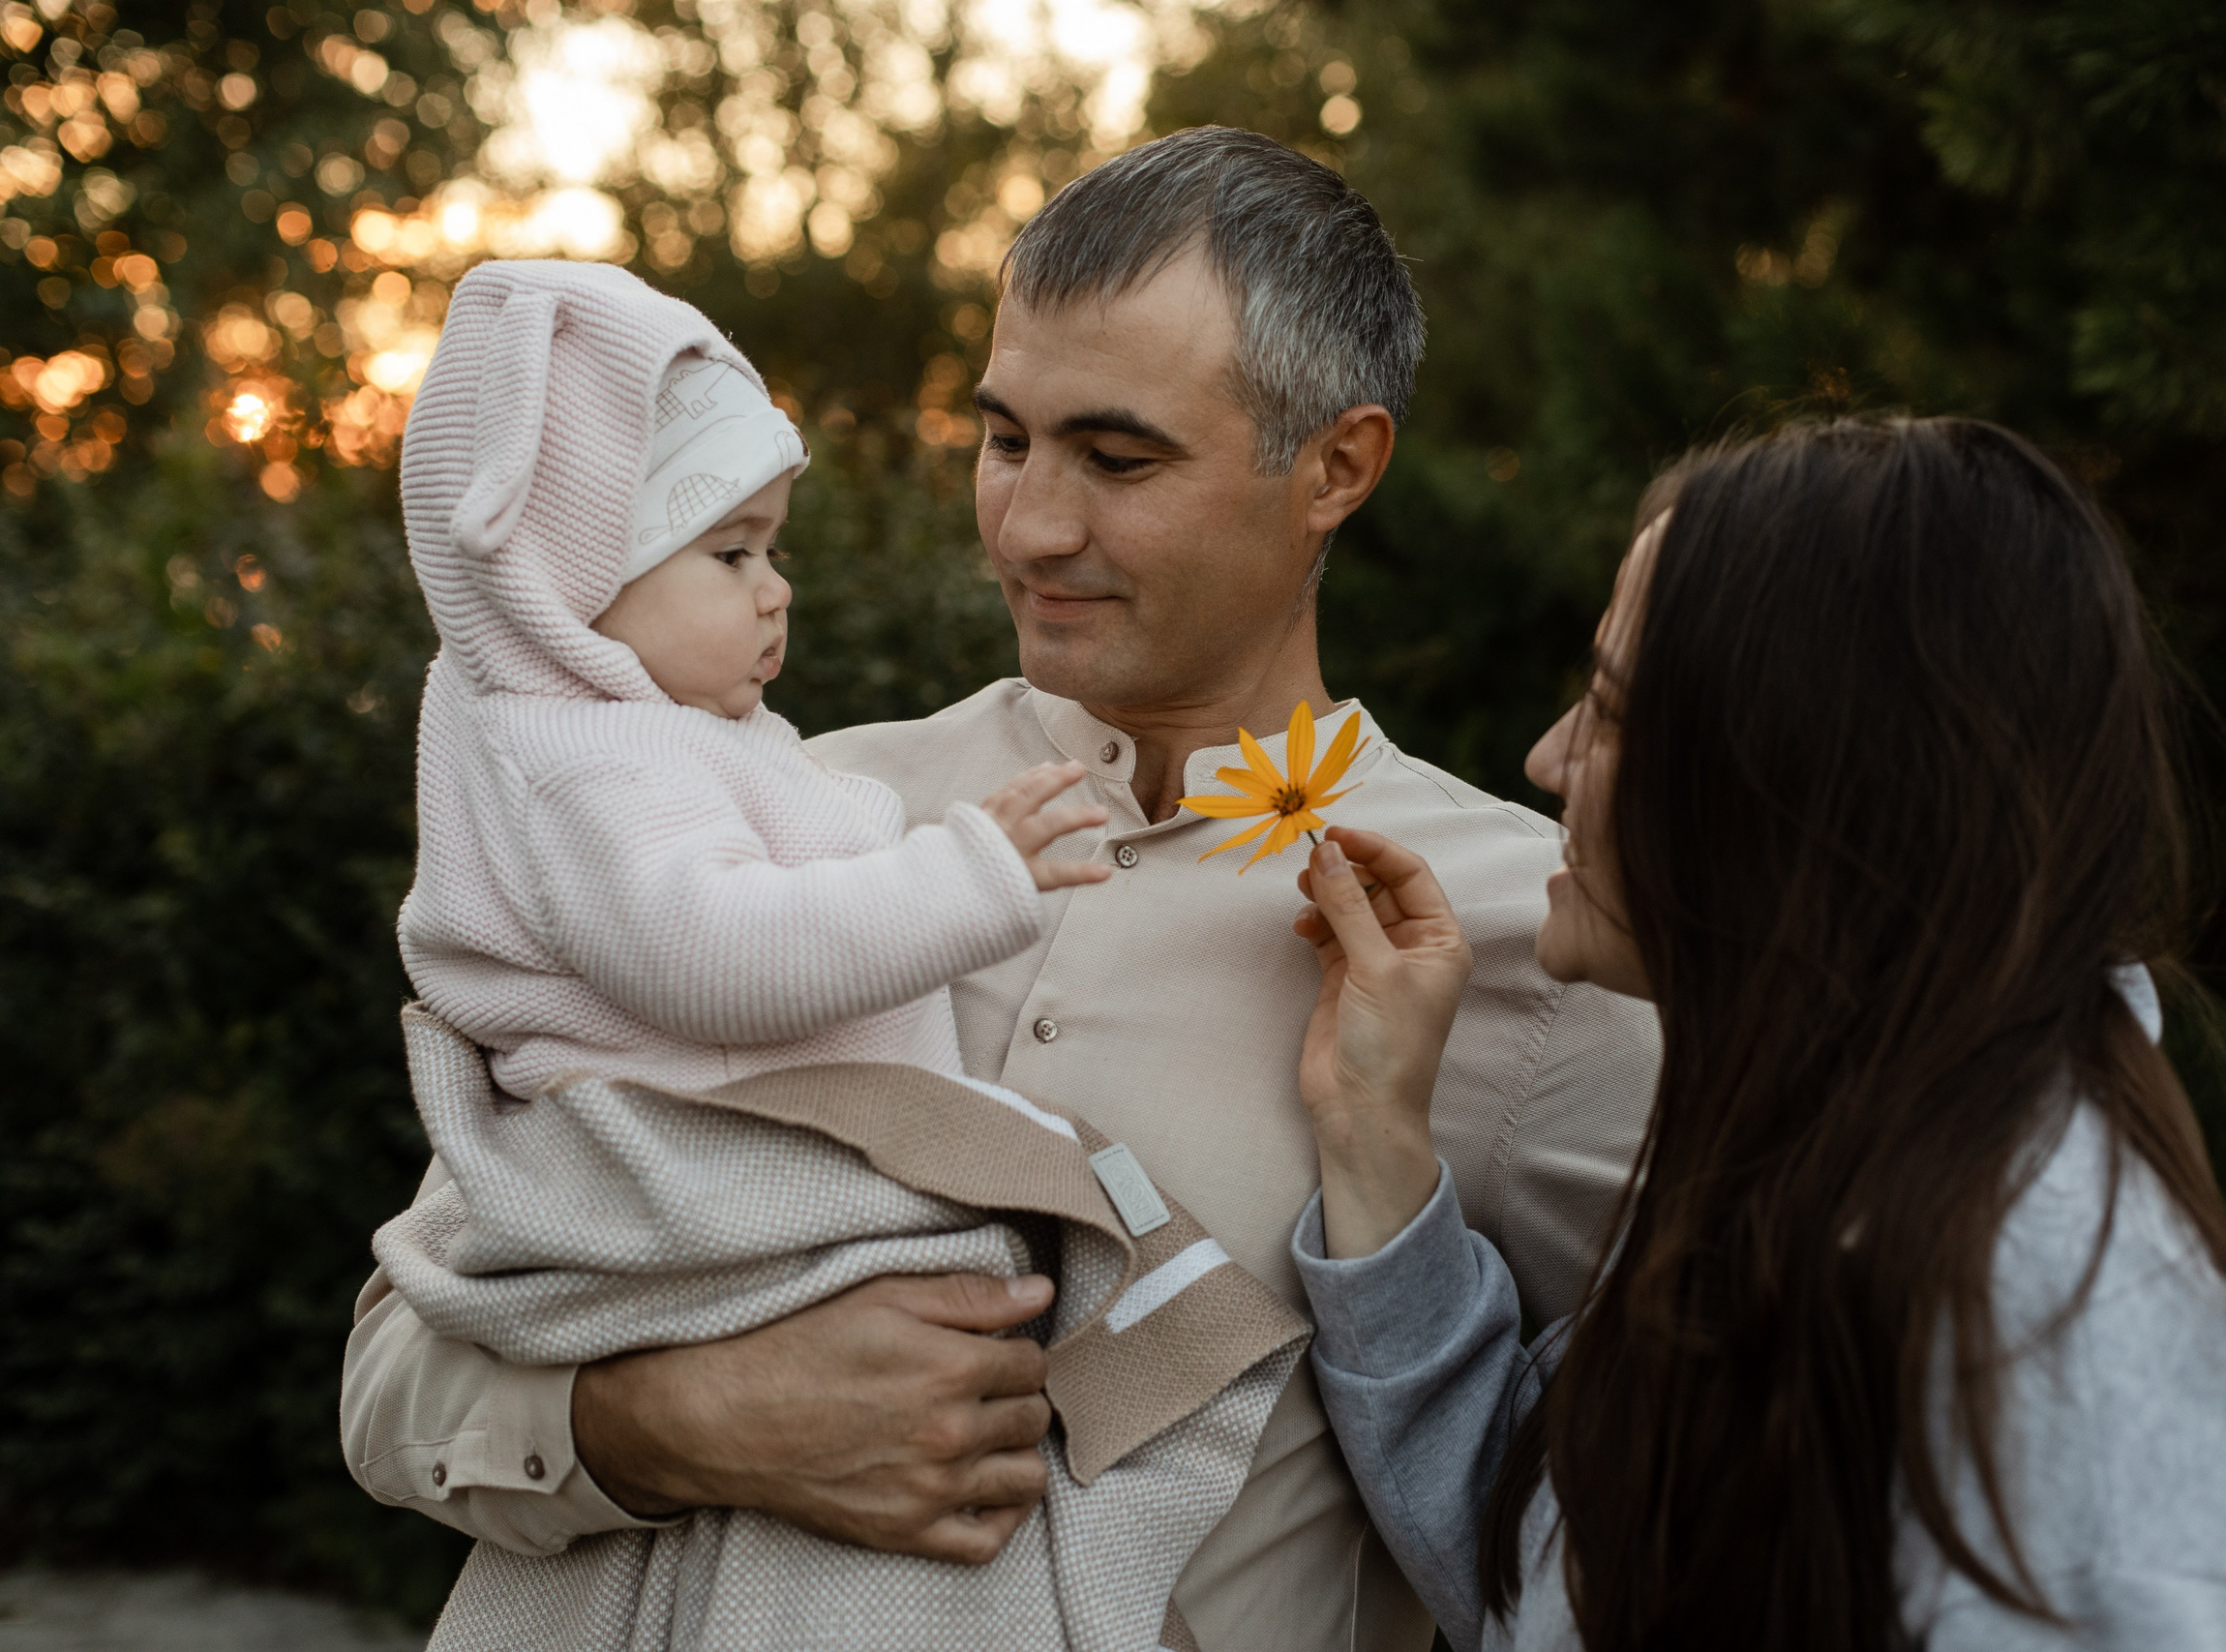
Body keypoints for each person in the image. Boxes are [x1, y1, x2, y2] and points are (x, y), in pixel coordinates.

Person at [342, 127, 1663, 1651]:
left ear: (1337, 467)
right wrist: (686, 1415)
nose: (1030, 524)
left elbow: (1640, 1524)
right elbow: (395, 1375)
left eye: (1116, 457)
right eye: (1005, 438)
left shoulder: (1530, 938)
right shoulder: (764, 812)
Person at [1282, 417, 2226, 1651]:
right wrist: (1373, 1136)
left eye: (1617, 711)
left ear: (1797, 774)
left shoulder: (2077, 1349)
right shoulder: (1802, 1169)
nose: (1549, 758)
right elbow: (1551, 1587)